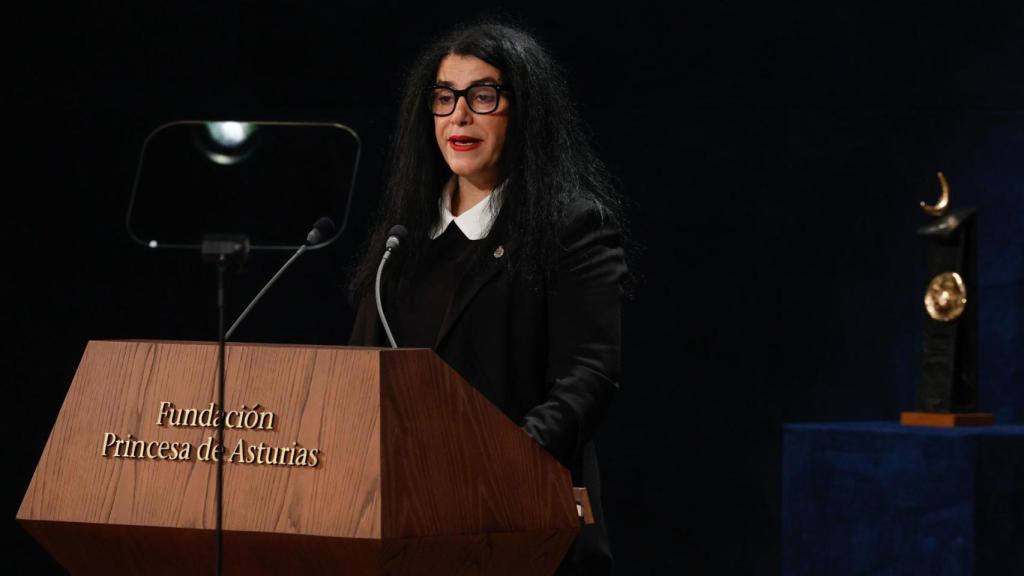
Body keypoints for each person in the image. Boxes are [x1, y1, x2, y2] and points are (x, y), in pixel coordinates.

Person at [348, 21, 627, 575]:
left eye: (483, 95)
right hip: (407, 531)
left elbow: (586, 380)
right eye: (444, 97)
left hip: (527, 530)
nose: (459, 115)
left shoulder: (572, 228)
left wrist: (494, 468)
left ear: (526, 111)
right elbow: (360, 381)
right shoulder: (402, 239)